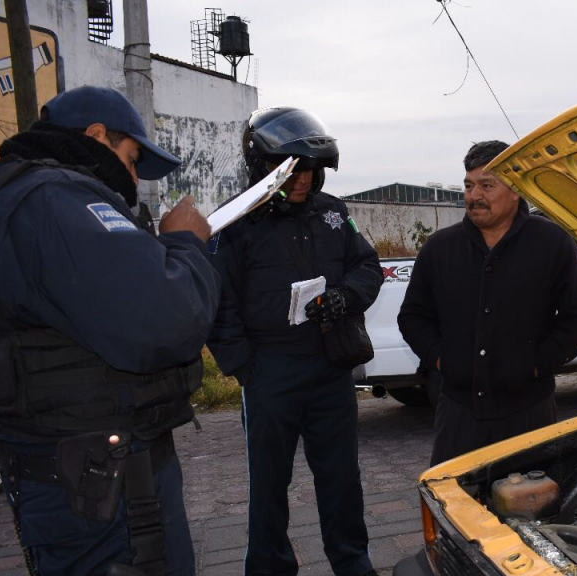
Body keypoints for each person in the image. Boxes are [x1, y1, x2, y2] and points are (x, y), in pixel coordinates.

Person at [0, 85, 219, 575]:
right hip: (101, 487)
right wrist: (185, 244)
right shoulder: (55, 200)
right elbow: (166, 321)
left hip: (62, 466)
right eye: (129, 160)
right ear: (96, 135)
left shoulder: (6, 197)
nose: (130, 179)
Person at [206, 107, 382, 576]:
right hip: (269, 372)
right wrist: (244, 368)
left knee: (342, 479)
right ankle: (268, 568)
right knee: (268, 486)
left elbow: (366, 266)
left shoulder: (332, 213)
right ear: (262, 166)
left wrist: (345, 297)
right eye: (289, 167)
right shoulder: (234, 223)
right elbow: (217, 303)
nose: (302, 178)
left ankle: (353, 562)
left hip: (330, 367)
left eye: (309, 168)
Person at [398, 140, 577, 466]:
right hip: (458, 415)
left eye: (487, 186)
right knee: (455, 507)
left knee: (533, 508)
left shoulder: (552, 244)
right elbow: (413, 317)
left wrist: (537, 364)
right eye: (469, 185)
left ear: (515, 189)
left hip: (529, 412)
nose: (474, 196)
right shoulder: (439, 249)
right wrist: (441, 360)